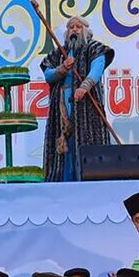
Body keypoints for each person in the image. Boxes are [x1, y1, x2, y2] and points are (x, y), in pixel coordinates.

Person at [41, 15, 114, 182]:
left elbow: (97, 68)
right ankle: (63, 181)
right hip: (62, 105)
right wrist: (62, 68)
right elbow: (48, 75)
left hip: (86, 103)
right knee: (65, 143)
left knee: (86, 140)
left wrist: (84, 87)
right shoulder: (59, 53)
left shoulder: (94, 48)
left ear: (85, 30)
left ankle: (90, 181)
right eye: (71, 27)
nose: (74, 29)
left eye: (78, 27)